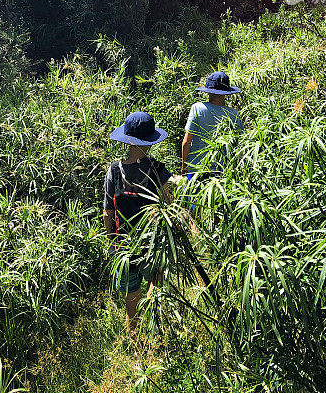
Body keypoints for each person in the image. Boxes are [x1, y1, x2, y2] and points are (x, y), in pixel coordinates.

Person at [103, 111, 171, 335]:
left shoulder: (113, 171)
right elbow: (167, 204)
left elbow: (107, 212)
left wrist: (111, 240)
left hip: (124, 246)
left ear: (127, 139)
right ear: (151, 141)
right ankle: (153, 323)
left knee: (131, 299)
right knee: (157, 280)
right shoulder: (158, 170)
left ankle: (135, 342)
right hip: (152, 243)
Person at [181, 71, 243, 180]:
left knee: (192, 196)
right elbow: (239, 145)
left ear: (208, 92)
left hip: (196, 168)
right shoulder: (233, 114)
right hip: (222, 170)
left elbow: (187, 142)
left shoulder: (197, 108)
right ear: (226, 93)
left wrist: (184, 165)